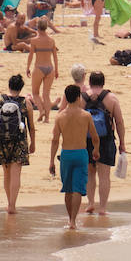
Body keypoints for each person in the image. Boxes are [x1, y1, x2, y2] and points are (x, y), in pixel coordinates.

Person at [49, 84, 98, 231]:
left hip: (66, 154)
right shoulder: (86, 115)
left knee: (68, 189)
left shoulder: (60, 116)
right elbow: (95, 137)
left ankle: (69, 218)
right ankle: (73, 221)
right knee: (77, 189)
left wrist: (51, 161)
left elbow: (55, 140)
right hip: (81, 153)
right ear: (78, 97)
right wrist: (96, 150)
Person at [0, 73, 35, 215]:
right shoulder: (26, 103)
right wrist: (33, 143)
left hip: (2, 140)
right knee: (16, 174)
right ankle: (12, 205)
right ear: (21, 88)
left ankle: (9, 202)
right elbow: (31, 126)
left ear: (9, 85)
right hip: (19, 140)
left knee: (6, 172)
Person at [83, 72, 126, 215]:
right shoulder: (112, 99)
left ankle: (90, 203)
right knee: (104, 176)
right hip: (106, 139)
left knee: (90, 173)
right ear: (103, 83)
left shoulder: (82, 98)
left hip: (87, 139)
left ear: (90, 82)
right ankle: (102, 208)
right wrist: (122, 143)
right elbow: (119, 122)